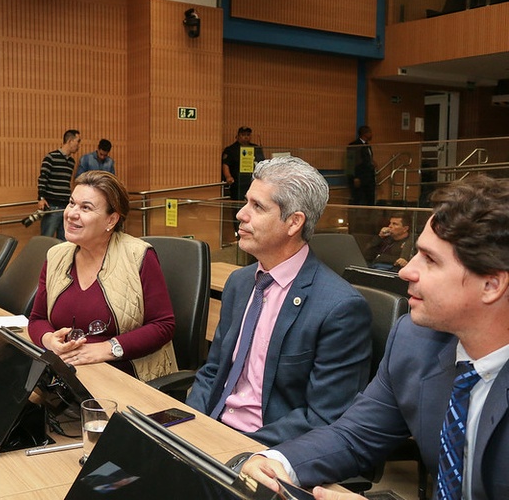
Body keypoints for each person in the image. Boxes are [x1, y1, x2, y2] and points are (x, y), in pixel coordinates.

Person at [241, 175, 509, 500]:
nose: (406, 271)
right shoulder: (415, 340)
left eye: (431, 260)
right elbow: (354, 436)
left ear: (491, 285)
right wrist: (275, 461)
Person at [186, 156, 372, 447]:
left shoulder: (340, 308)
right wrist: (189, 426)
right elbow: (213, 371)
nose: (241, 214)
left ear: (294, 222)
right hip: (212, 431)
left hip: (268, 449)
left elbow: (323, 417)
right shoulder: (240, 282)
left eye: (257, 206)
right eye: (246, 202)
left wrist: (236, 449)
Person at [28, 171, 177, 381]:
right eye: (71, 203)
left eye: (86, 208)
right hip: (67, 374)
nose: (71, 214)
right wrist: (49, 341)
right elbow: (37, 319)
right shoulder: (56, 256)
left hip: (126, 376)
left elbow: (163, 325)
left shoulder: (139, 255)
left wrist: (108, 348)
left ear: (111, 219)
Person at [38, 129, 81, 240]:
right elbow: (43, 178)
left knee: (64, 239)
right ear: (70, 141)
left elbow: (67, 182)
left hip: (65, 205)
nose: (78, 145)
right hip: (52, 205)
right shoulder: (51, 157)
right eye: (78, 141)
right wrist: (41, 198)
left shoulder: (71, 162)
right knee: (46, 238)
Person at [222, 126, 266, 201]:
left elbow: (262, 163)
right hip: (237, 182)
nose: (246, 137)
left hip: (252, 181)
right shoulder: (231, 149)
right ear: (237, 136)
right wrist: (228, 177)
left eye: (248, 135)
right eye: (243, 135)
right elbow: (226, 164)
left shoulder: (255, 148)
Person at [347, 125, 375, 205]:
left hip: (369, 178)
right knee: (358, 200)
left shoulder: (368, 146)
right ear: (364, 133)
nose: (371, 134)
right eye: (370, 132)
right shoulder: (354, 145)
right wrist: (354, 177)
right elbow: (350, 163)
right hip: (359, 177)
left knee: (370, 201)